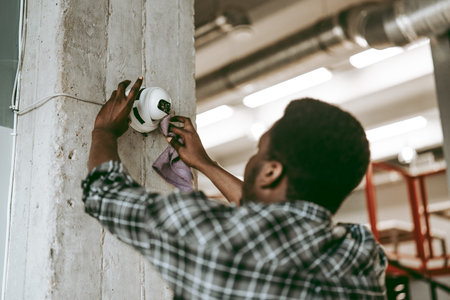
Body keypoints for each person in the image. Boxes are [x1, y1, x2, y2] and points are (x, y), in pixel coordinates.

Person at [83, 78, 387, 299]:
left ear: (271, 171)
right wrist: (205, 164)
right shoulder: (364, 254)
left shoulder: (213, 241)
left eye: (260, 149)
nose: (255, 156)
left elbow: (105, 193)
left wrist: (104, 131)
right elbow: (278, 225)